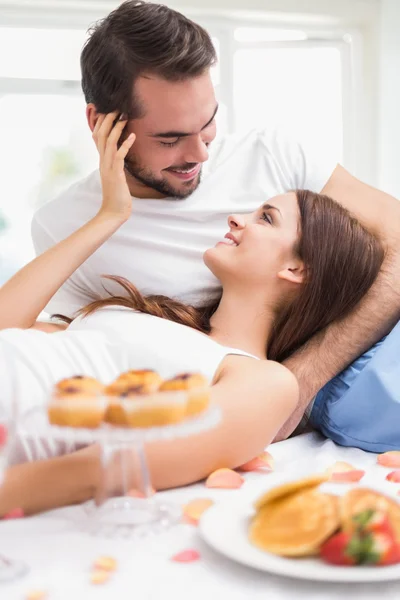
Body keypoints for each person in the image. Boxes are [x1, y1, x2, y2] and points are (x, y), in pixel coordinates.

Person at [31, 1, 400, 441]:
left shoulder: (274, 154)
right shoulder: (64, 226)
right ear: (100, 123)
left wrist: (300, 384)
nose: (200, 155)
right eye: (169, 139)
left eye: (207, 124)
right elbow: (72, 359)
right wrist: (110, 217)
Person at [0, 115, 384, 515]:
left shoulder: (267, 382)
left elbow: (104, 469)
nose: (236, 218)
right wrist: (109, 217)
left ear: (297, 269)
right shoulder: (151, 313)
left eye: (266, 218)